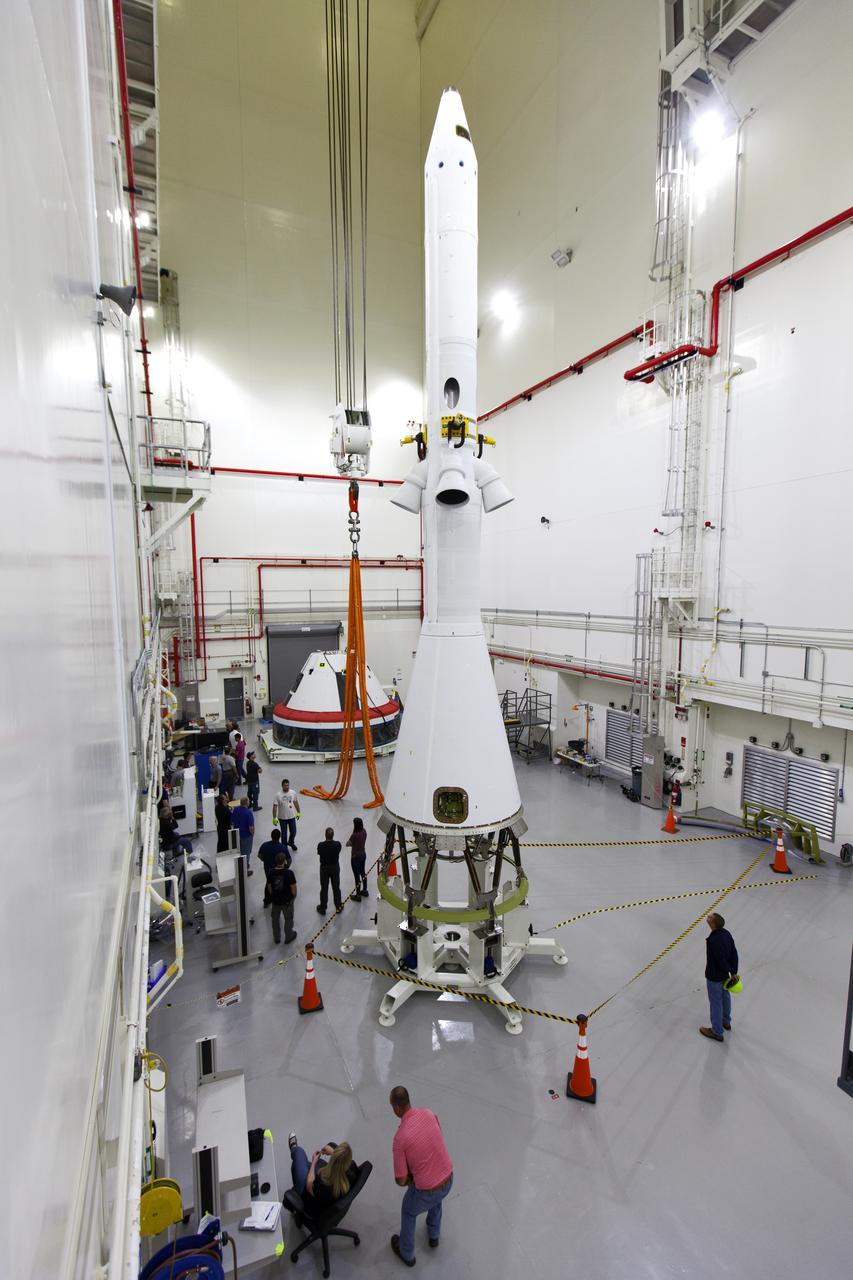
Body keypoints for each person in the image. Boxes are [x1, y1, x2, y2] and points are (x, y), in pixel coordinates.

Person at [389, 1085, 453, 1266]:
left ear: (397, 1108)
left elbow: (400, 1180)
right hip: (449, 1179)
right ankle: (434, 1235)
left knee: (408, 1211)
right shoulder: (429, 1113)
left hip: (428, 1191)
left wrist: (412, 1178)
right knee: (436, 1196)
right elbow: (435, 1138)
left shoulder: (400, 1138)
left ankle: (406, 1253)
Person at [287, 1134, 357, 1216]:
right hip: (324, 1200)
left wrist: (314, 1162)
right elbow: (342, 1161)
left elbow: (309, 1185)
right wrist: (334, 1152)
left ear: (333, 1162)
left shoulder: (324, 1184)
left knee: (299, 1152)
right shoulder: (352, 1171)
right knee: (303, 1165)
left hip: (310, 1201)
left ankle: (294, 1148)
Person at [700, 912, 739, 1042]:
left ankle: (717, 1031)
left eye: (710, 917)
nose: (708, 917)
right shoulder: (726, 934)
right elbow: (734, 952)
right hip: (725, 975)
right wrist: (733, 971)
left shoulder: (714, 940)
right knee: (725, 997)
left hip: (714, 975)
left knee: (716, 1002)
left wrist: (727, 969)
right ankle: (726, 1021)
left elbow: (720, 960)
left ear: (713, 924)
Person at [269, 851, 297, 943]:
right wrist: (293, 896)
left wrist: (272, 896)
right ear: (285, 861)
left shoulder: (271, 872)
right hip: (287, 901)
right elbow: (293, 887)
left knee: (275, 920)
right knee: (288, 919)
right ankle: (289, 936)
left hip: (276, 900)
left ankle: (276, 938)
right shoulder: (289, 873)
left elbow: (269, 886)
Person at [316, 827, 342, 914]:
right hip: (334, 867)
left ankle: (323, 907)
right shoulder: (338, 845)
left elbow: (319, 852)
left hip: (324, 869)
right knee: (336, 887)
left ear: (325, 835)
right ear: (333, 835)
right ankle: (338, 906)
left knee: (324, 888)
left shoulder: (320, 845)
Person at [273, 779, 301, 851]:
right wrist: (274, 817)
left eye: (288, 785)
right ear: (282, 786)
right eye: (285, 785)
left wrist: (298, 812)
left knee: (293, 831)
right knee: (284, 834)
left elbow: (295, 802)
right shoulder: (278, 795)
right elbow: (275, 806)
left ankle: (291, 842)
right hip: (282, 818)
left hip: (291, 816)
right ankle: (284, 847)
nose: (287, 787)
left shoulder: (293, 793)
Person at [231, 796, 255, 873]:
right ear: (247, 803)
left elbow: (232, 821)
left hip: (237, 834)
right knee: (246, 853)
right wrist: (252, 834)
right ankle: (245, 870)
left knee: (239, 851)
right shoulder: (248, 813)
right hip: (246, 836)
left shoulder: (236, 809)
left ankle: (238, 866)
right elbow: (251, 827)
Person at [347, 816, 369, 900]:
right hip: (363, 854)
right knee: (363, 872)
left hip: (355, 857)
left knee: (357, 876)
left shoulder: (354, 835)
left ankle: (358, 895)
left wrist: (353, 844)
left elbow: (347, 844)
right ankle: (365, 890)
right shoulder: (364, 831)